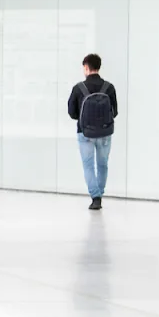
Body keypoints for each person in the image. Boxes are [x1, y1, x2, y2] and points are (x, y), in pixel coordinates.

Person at [68, 53, 118, 210]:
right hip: (105, 133)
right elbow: (114, 112)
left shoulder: (78, 88)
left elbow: (72, 113)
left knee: (88, 165)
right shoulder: (109, 88)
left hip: (85, 133)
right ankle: (100, 195)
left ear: (86, 67)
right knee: (102, 164)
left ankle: (95, 197)